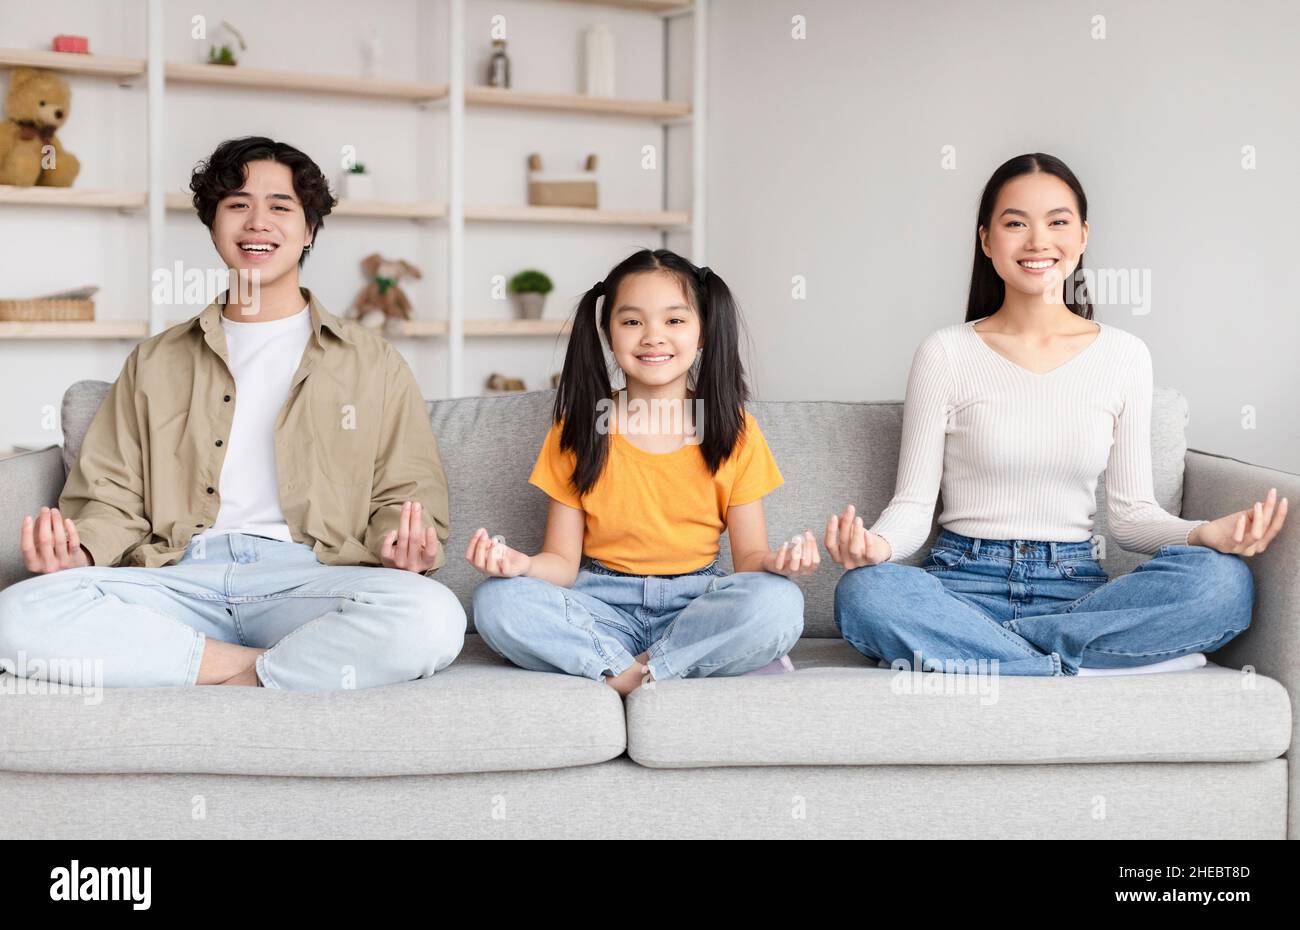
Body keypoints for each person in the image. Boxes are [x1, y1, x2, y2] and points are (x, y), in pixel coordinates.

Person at [0, 136, 465, 691]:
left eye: (280, 206)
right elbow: (110, 495)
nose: (257, 222)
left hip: (310, 580)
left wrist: (403, 541)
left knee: (433, 618)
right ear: (214, 224)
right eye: (238, 204)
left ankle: (195, 667)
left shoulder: (374, 362)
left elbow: (406, 490)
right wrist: (80, 549)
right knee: (18, 616)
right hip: (178, 579)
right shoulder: (155, 360)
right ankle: (258, 670)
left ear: (310, 228)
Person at [828, 153, 1286, 677]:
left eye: (1057, 222)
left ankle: (992, 656)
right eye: (1016, 222)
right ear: (986, 241)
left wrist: (1204, 534)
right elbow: (912, 506)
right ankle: (1076, 662)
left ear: (1083, 236)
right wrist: (876, 546)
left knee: (1221, 583)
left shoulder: (1124, 355)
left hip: (1075, 591)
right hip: (961, 585)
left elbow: (1133, 516)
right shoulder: (945, 352)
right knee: (866, 591)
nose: (1037, 240)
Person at [467, 249, 811, 696]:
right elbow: (562, 564)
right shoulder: (580, 427)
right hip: (601, 604)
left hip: (696, 605)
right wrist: (522, 565)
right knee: (496, 600)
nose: (652, 337)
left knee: (780, 603)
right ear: (608, 333)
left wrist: (777, 564)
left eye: (674, 321)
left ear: (703, 331)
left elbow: (748, 561)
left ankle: (632, 671)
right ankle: (649, 673)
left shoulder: (733, 429)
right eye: (631, 322)